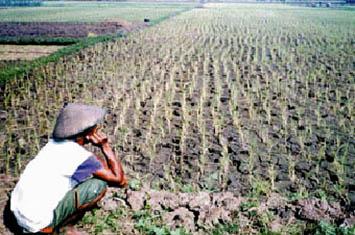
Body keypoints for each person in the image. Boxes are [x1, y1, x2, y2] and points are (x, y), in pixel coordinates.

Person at [10, 103, 128, 234]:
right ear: (87, 134)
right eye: (95, 127)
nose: (98, 129)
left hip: (18, 215)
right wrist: (105, 146)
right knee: (98, 185)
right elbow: (120, 180)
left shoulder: (51, 145)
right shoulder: (78, 155)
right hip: (37, 225)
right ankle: (60, 228)